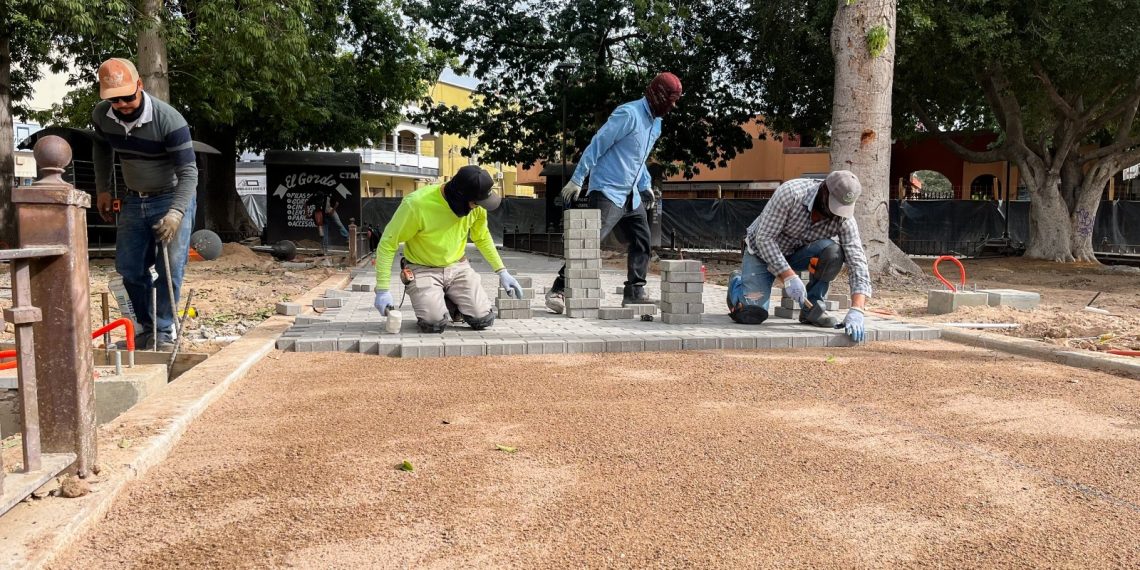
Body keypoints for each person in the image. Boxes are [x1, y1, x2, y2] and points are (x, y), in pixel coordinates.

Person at [545, 72, 683, 313]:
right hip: (608, 190)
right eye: (671, 99)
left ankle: (634, 292)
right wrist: (578, 178)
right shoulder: (628, 114)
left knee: (642, 241)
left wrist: (645, 185)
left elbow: (638, 158)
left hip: (632, 195)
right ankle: (558, 289)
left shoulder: (656, 124)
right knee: (588, 242)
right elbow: (597, 144)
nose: (673, 106)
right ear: (658, 95)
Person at [92, 58, 197, 350]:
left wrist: (176, 213)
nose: (123, 104)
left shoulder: (169, 120)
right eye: (115, 99)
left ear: (140, 85)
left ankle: (163, 331)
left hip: (171, 197)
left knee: (170, 266)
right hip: (133, 198)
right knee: (128, 267)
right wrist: (103, 189)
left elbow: (189, 172)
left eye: (128, 96)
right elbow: (100, 146)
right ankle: (145, 326)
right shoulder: (102, 116)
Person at [372, 165, 524, 333]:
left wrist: (501, 271)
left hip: (457, 267)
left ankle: (451, 299)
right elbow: (387, 243)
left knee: (483, 320)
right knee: (433, 324)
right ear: (459, 197)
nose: (478, 206)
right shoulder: (416, 205)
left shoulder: (477, 206)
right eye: (475, 203)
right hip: (422, 268)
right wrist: (383, 289)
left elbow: (482, 237)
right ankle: (437, 299)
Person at [726, 171, 871, 343]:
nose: (836, 214)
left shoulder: (844, 218)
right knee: (751, 314)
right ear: (824, 190)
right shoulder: (791, 193)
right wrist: (788, 276)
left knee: (833, 252)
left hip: (798, 255)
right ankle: (737, 283)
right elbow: (764, 239)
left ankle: (813, 307)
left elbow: (857, 261)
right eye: (834, 205)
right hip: (761, 253)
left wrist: (857, 309)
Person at [305, 189, 349, 253]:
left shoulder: (327, 197)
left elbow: (336, 203)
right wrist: (306, 213)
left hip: (330, 210)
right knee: (323, 232)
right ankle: (324, 249)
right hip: (323, 214)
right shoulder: (314, 199)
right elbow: (306, 204)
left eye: (320, 199)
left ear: (323, 197)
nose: (319, 201)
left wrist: (332, 211)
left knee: (338, 223)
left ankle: (347, 236)